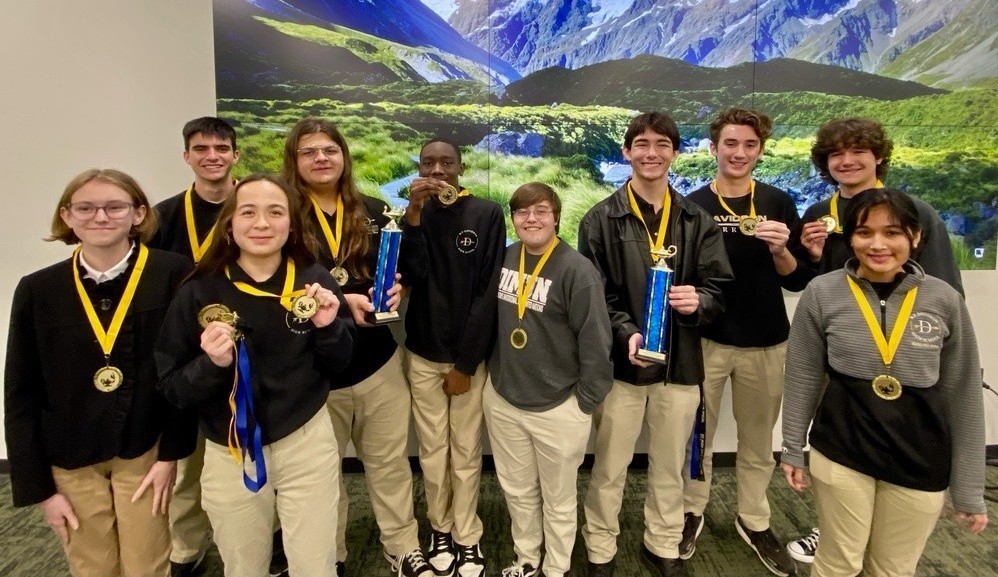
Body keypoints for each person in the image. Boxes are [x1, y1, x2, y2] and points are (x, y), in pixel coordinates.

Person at [780, 187, 987, 577]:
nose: (877, 244)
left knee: (893, 568)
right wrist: (792, 447)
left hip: (919, 456)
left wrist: (969, 486)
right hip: (842, 447)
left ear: (916, 237)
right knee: (838, 563)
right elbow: (804, 373)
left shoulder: (943, 300)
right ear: (850, 238)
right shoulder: (822, 293)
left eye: (892, 233)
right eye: (864, 233)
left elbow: (962, 395)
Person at [155, 174, 355, 577]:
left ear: (293, 225)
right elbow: (172, 386)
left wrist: (329, 327)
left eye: (275, 212)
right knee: (244, 564)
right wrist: (211, 364)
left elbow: (342, 363)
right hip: (230, 448)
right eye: (248, 212)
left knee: (316, 564)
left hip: (306, 441)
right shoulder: (198, 291)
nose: (262, 223)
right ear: (229, 224)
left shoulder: (313, 281)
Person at [4, 168, 195, 577]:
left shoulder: (173, 275)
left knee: (148, 562)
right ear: (67, 216)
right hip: (70, 456)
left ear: (139, 214)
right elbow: (20, 392)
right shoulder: (38, 289)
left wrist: (170, 455)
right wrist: (38, 488)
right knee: (92, 565)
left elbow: (185, 368)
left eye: (114, 207)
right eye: (85, 208)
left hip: (144, 449)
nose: (100, 217)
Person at [578, 112, 734, 577]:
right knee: (609, 467)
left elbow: (720, 289)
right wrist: (627, 332)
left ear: (675, 152)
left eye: (662, 144)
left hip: (681, 367)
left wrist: (699, 300)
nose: (651, 153)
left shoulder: (695, 220)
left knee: (671, 468)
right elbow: (595, 294)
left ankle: (662, 544)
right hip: (622, 368)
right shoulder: (599, 219)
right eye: (641, 144)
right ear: (626, 152)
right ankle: (600, 548)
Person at [282, 118, 431, 577]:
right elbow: (266, 287)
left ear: (343, 156)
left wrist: (397, 292)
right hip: (312, 368)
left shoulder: (373, 209)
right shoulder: (280, 213)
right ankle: (329, 556)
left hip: (376, 362)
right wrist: (340, 304)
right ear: (294, 160)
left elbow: (404, 267)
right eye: (309, 151)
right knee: (320, 476)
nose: (321, 158)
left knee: (389, 464)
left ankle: (401, 546)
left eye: (330, 149)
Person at [683, 108, 806, 576]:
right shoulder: (691, 204)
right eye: (730, 144)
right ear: (713, 148)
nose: (739, 153)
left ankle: (753, 519)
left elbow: (795, 281)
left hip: (767, 339)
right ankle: (692, 510)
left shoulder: (777, 202)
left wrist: (780, 249)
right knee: (698, 439)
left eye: (749, 145)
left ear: (760, 150)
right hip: (706, 340)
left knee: (758, 442)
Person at [485, 183, 613, 577]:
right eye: (522, 212)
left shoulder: (578, 271)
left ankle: (556, 567)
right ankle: (527, 559)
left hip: (559, 406)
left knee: (558, 499)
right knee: (518, 492)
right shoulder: (504, 258)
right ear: (513, 219)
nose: (532, 219)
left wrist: (582, 404)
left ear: (556, 217)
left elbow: (597, 343)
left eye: (541, 211)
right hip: (505, 399)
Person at [403, 138, 506, 577]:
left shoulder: (485, 213)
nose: (438, 170)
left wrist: (466, 363)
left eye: (447, 162)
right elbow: (410, 274)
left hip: (467, 357)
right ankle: (439, 529)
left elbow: (489, 294)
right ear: (420, 166)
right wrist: (412, 216)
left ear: (461, 167)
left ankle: (467, 536)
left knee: (465, 451)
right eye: (429, 162)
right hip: (422, 352)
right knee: (431, 451)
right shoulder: (415, 213)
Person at [147, 116, 241, 577]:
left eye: (221, 148)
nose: (212, 156)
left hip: (253, 343)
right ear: (187, 156)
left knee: (256, 444)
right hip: (188, 350)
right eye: (201, 149)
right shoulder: (162, 217)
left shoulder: (259, 205)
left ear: (235, 155)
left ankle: (273, 536)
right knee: (187, 460)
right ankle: (187, 547)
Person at [792, 117, 963, 294]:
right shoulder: (818, 214)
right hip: (836, 317)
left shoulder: (916, 211)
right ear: (826, 162)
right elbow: (802, 282)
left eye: (858, 152)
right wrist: (814, 258)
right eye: (836, 154)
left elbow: (944, 286)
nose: (847, 161)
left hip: (900, 316)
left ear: (879, 157)